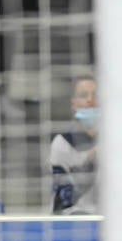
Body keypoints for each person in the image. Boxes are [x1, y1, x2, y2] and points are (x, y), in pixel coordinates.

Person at [50, 73, 99, 214]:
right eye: (84, 95)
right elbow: (64, 201)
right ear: (74, 104)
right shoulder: (62, 143)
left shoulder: (121, 141)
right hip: (75, 218)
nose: (90, 100)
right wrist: (89, 160)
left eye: (96, 95)